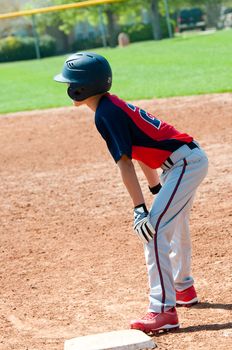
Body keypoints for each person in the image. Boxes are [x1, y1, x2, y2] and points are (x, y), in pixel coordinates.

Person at [54, 52, 208, 334]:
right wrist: (156, 190)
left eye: (71, 84)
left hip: (183, 165)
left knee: (152, 230)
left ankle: (163, 310)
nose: (68, 89)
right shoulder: (111, 105)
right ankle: (183, 287)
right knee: (172, 222)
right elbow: (138, 152)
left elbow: (124, 162)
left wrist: (140, 209)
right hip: (185, 162)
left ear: (82, 88)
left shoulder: (105, 113)